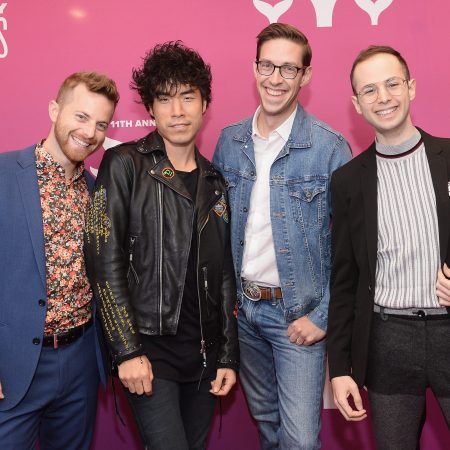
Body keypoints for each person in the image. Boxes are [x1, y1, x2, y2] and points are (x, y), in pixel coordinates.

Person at [84, 41, 239, 450]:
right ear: (150, 108)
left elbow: (224, 273)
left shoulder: (215, 181)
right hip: (149, 353)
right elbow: (104, 263)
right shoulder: (125, 165)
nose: (178, 110)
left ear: (205, 103)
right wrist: (127, 350)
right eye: (165, 99)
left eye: (188, 97)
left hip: (203, 356)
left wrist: (227, 355)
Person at [213, 23, 351, 449]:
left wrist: (322, 317)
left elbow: (350, 248)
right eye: (268, 66)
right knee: (268, 425)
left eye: (288, 69)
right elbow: (218, 232)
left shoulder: (330, 148)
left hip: (298, 319)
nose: (275, 78)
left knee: (300, 441)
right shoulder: (229, 141)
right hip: (245, 316)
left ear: (305, 76)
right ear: (254, 68)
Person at [328, 45, 450, 449]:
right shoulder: (347, 182)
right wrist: (341, 367)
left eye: (392, 84)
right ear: (356, 104)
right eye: (369, 90)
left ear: (411, 87)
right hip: (386, 341)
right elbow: (344, 281)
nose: (383, 98)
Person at [0, 72, 119, 449]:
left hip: (81, 361)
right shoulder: (5, 174)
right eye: (81, 117)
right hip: (14, 364)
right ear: (55, 110)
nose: (90, 132)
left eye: (101, 124)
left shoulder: (96, 190)